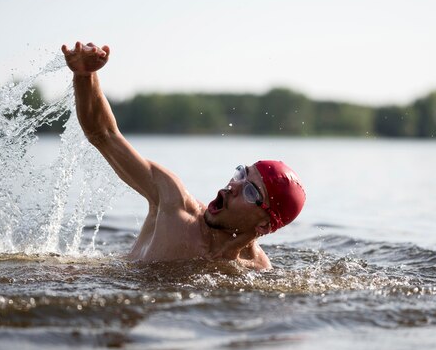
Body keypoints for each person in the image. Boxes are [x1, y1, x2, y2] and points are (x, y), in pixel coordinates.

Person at [61, 42, 305, 270]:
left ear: (263, 225)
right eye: (241, 174)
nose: (234, 186)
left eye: (250, 191)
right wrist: (85, 77)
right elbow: (104, 135)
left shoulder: (258, 268)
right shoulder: (173, 203)